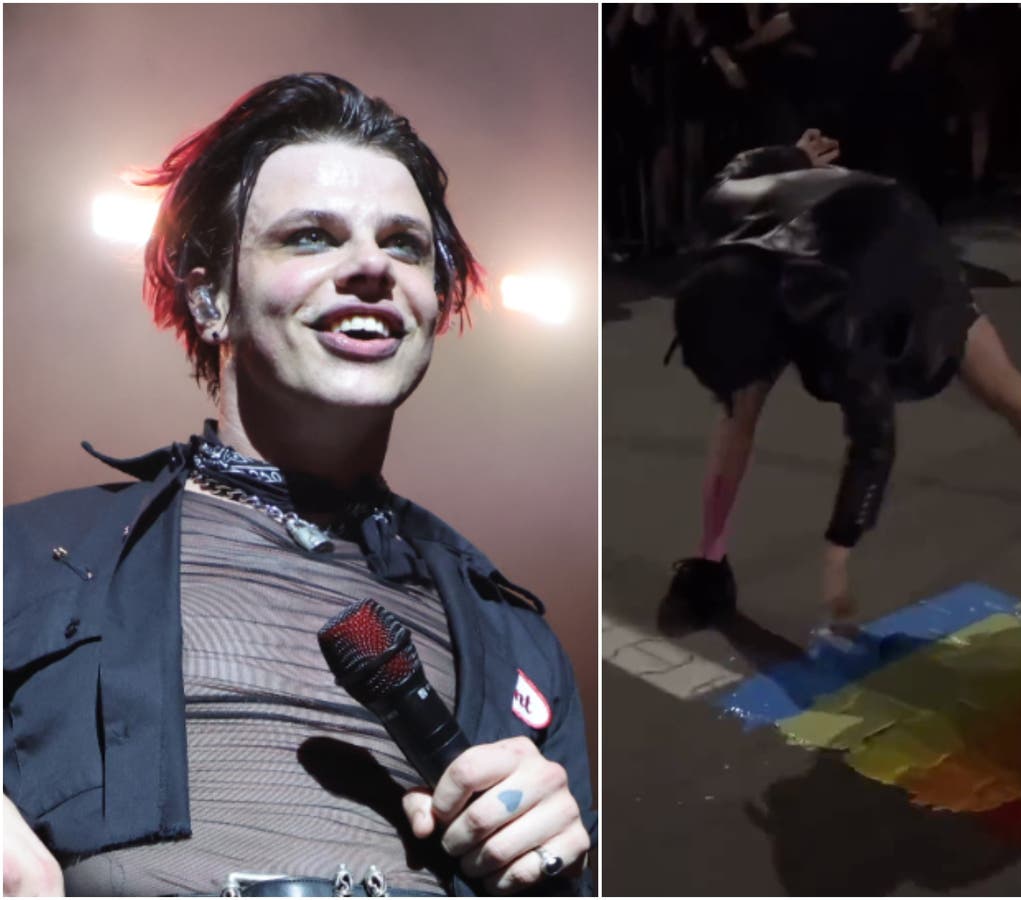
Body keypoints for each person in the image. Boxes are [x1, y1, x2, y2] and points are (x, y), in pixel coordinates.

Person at [4, 73, 594, 897]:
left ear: (436, 303)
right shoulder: (29, 557)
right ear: (211, 299)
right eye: (312, 236)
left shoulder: (517, 643)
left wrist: (559, 863)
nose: (370, 267)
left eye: (405, 244)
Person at [664, 129, 1021, 622]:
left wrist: (840, 546)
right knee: (738, 408)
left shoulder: (844, 316)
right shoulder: (722, 215)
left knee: (1001, 385)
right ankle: (710, 563)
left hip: (907, 260)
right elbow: (738, 169)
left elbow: (873, 434)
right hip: (819, 241)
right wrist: (794, 155)